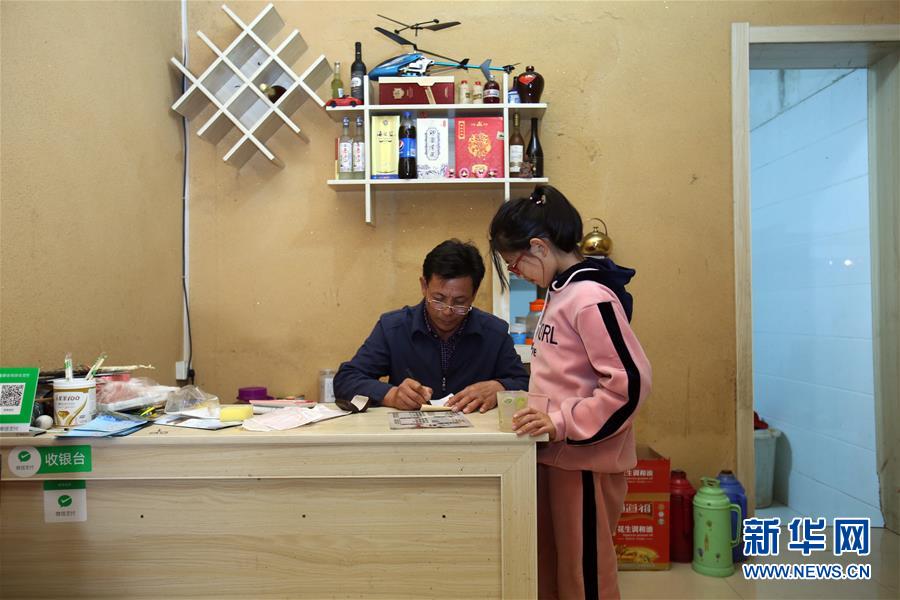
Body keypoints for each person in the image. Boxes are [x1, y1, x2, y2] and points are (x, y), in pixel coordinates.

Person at [488, 185, 652, 600]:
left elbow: (630, 383)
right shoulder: (561, 293)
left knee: (585, 575)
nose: (517, 274)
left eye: (515, 264)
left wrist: (561, 422)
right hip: (557, 456)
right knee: (555, 569)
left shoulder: (589, 298)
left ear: (539, 248)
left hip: (585, 463)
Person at [333, 239, 529, 412]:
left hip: (474, 438)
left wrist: (499, 387)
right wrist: (391, 395)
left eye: (460, 302)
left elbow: (525, 383)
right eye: (438, 299)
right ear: (424, 286)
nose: (448, 311)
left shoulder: (494, 333)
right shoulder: (393, 328)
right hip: (410, 438)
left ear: (474, 294)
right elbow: (346, 379)